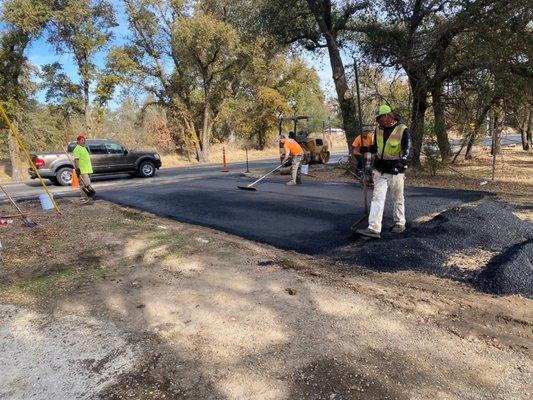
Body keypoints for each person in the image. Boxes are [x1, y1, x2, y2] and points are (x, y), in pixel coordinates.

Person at [356, 105, 413, 238]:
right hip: (380, 169)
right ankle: (374, 228)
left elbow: (409, 152)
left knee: (397, 198)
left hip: (395, 171)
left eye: (380, 118)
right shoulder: (378, 129)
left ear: (388, 116)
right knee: (377, 198)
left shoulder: (402, 129)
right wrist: (367, 149)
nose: (378, 121)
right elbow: (377, 147)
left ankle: (400, 223)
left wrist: (400, 166)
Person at [72, 135, 96, 199]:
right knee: (85, 184)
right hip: (82, 169)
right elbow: (76, 160)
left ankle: (88, 196)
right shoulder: (77, 149)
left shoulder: (84, 148)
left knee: (88, 183)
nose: (84, 141)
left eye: (84, 140)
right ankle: (85, 197)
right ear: (78, 141)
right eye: (82, 140)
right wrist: (77, 169)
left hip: (88, 169)